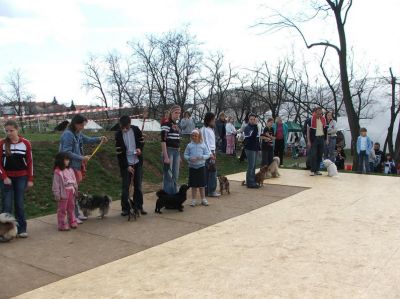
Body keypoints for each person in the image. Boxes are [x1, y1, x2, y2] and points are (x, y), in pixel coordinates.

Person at [59, 114, 108, 223]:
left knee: (74, 192)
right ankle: (72, 216)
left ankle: (75, 214)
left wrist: (99, 138)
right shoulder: (68, 135)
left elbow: (87, 139)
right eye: (82, 125)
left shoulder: (78, 133)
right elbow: (66, 152)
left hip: (75, 167)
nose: (83, 127)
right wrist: (82, 158)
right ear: (76, 124)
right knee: (71, 193)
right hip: (68, 168)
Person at [0, 120, 33, 238]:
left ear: (17, 129)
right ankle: (5, 231)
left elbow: (30, 162)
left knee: (19, 203)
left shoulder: (26, 143)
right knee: (6, 205)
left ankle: (21, 228)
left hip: (21, 177)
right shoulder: (2, 143)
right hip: (6, 179)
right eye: (6, 130)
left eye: (11, 130)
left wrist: (30, 179)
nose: (9, 133)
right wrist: (4, 177)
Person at [116, 115, 146, 216]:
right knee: (125, 186)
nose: (125, 129)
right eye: (123, 127)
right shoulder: (118, 134)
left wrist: (140, 149)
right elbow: (119, 153)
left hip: (137, 161)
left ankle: (138, 206)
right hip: (126, 164)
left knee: (138, 185)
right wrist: (126, 166)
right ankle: (125, 208)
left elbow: (142, 141)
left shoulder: (136, 130)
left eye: (127, 127)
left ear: (130, 123)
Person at [184, 129, 211, 207]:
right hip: (192, 167)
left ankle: (203, 199)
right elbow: (185, 155)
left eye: (196, 136)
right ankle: (193, 200)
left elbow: (208, 154)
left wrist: (202, 157)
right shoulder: (189, 145)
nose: (194, 137)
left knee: (202, 185)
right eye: (192, 136)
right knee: (193, 185)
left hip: (201, 167)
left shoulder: (203, 145)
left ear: (199, 136)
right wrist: (189, 158)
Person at [52, 152, 78, 231]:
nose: (68, 161)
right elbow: (55, 184)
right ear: (60, 161)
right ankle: (62, 224)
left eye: (68, 159)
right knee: (62, 209)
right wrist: (57, 194)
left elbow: (74, 180)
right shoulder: (57, 172)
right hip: (63, 193)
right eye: (66, 159)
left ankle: (72, 221)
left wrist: (76, 189)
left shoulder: (70, 170)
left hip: (71, 191)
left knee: (71, 207)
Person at [161, 105, 182, 195]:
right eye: (176, 112)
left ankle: (174, 196)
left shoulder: (176, 124)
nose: (177, 115)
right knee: (168, 176)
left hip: (176, 151)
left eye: (179, 113)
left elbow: (177, 140)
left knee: (175, 175)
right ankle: (167, 198)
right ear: (171, 113)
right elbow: (163, 140)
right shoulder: (166, 123)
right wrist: (166, 156)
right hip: (169, 151)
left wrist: (179, 154)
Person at [201, 112, 220, 197]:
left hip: (212, 151)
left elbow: (212, 143)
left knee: (210, 171)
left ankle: (208, 190)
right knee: (212, 171)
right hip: (208, 152)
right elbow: (206, 142)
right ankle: (211, 191)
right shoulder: (204, 129)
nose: (214, 121)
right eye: (213, 120)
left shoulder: (211, 129)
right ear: (209, 120)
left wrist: (214, 152)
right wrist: (210, 153)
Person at [307, 107, 328, 176]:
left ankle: (317, 170)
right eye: (318, 113)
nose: (320, 114)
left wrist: (326, 139)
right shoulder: (310, 119)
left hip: (321, 138)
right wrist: (309, 141)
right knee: (313, 155)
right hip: (314, 139)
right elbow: (308, 131)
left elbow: (326, 130)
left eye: (321, 113)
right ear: (315, 112)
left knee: (319, 155)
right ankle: (312, 170)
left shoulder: (323, 119)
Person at [243, 113, 260, 189]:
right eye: (251, 119)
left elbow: (257, 138)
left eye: (254, 119)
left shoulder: (255, 127)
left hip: (254, 148)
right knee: (251, 166)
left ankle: (252, 181)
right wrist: (256, 125)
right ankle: (249, 182)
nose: (252, 121)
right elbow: (253, 136)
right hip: (249, 148)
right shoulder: (247, 127)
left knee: (253, 166)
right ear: (248, 120)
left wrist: (258, 148)